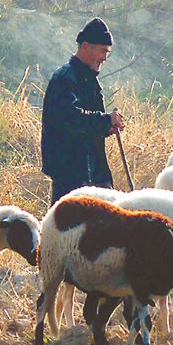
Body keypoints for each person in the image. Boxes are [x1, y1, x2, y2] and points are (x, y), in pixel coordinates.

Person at [41, 17, 125, 205]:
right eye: (103, 51)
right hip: (69, 172)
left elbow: (87, 124)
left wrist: (107, 128)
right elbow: (69, 118)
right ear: (86, 47)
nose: (105, 58)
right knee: (65, 228)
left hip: (92, 170)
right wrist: (105, 120)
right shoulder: (64, 78)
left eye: (107, 53)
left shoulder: (90, 80)